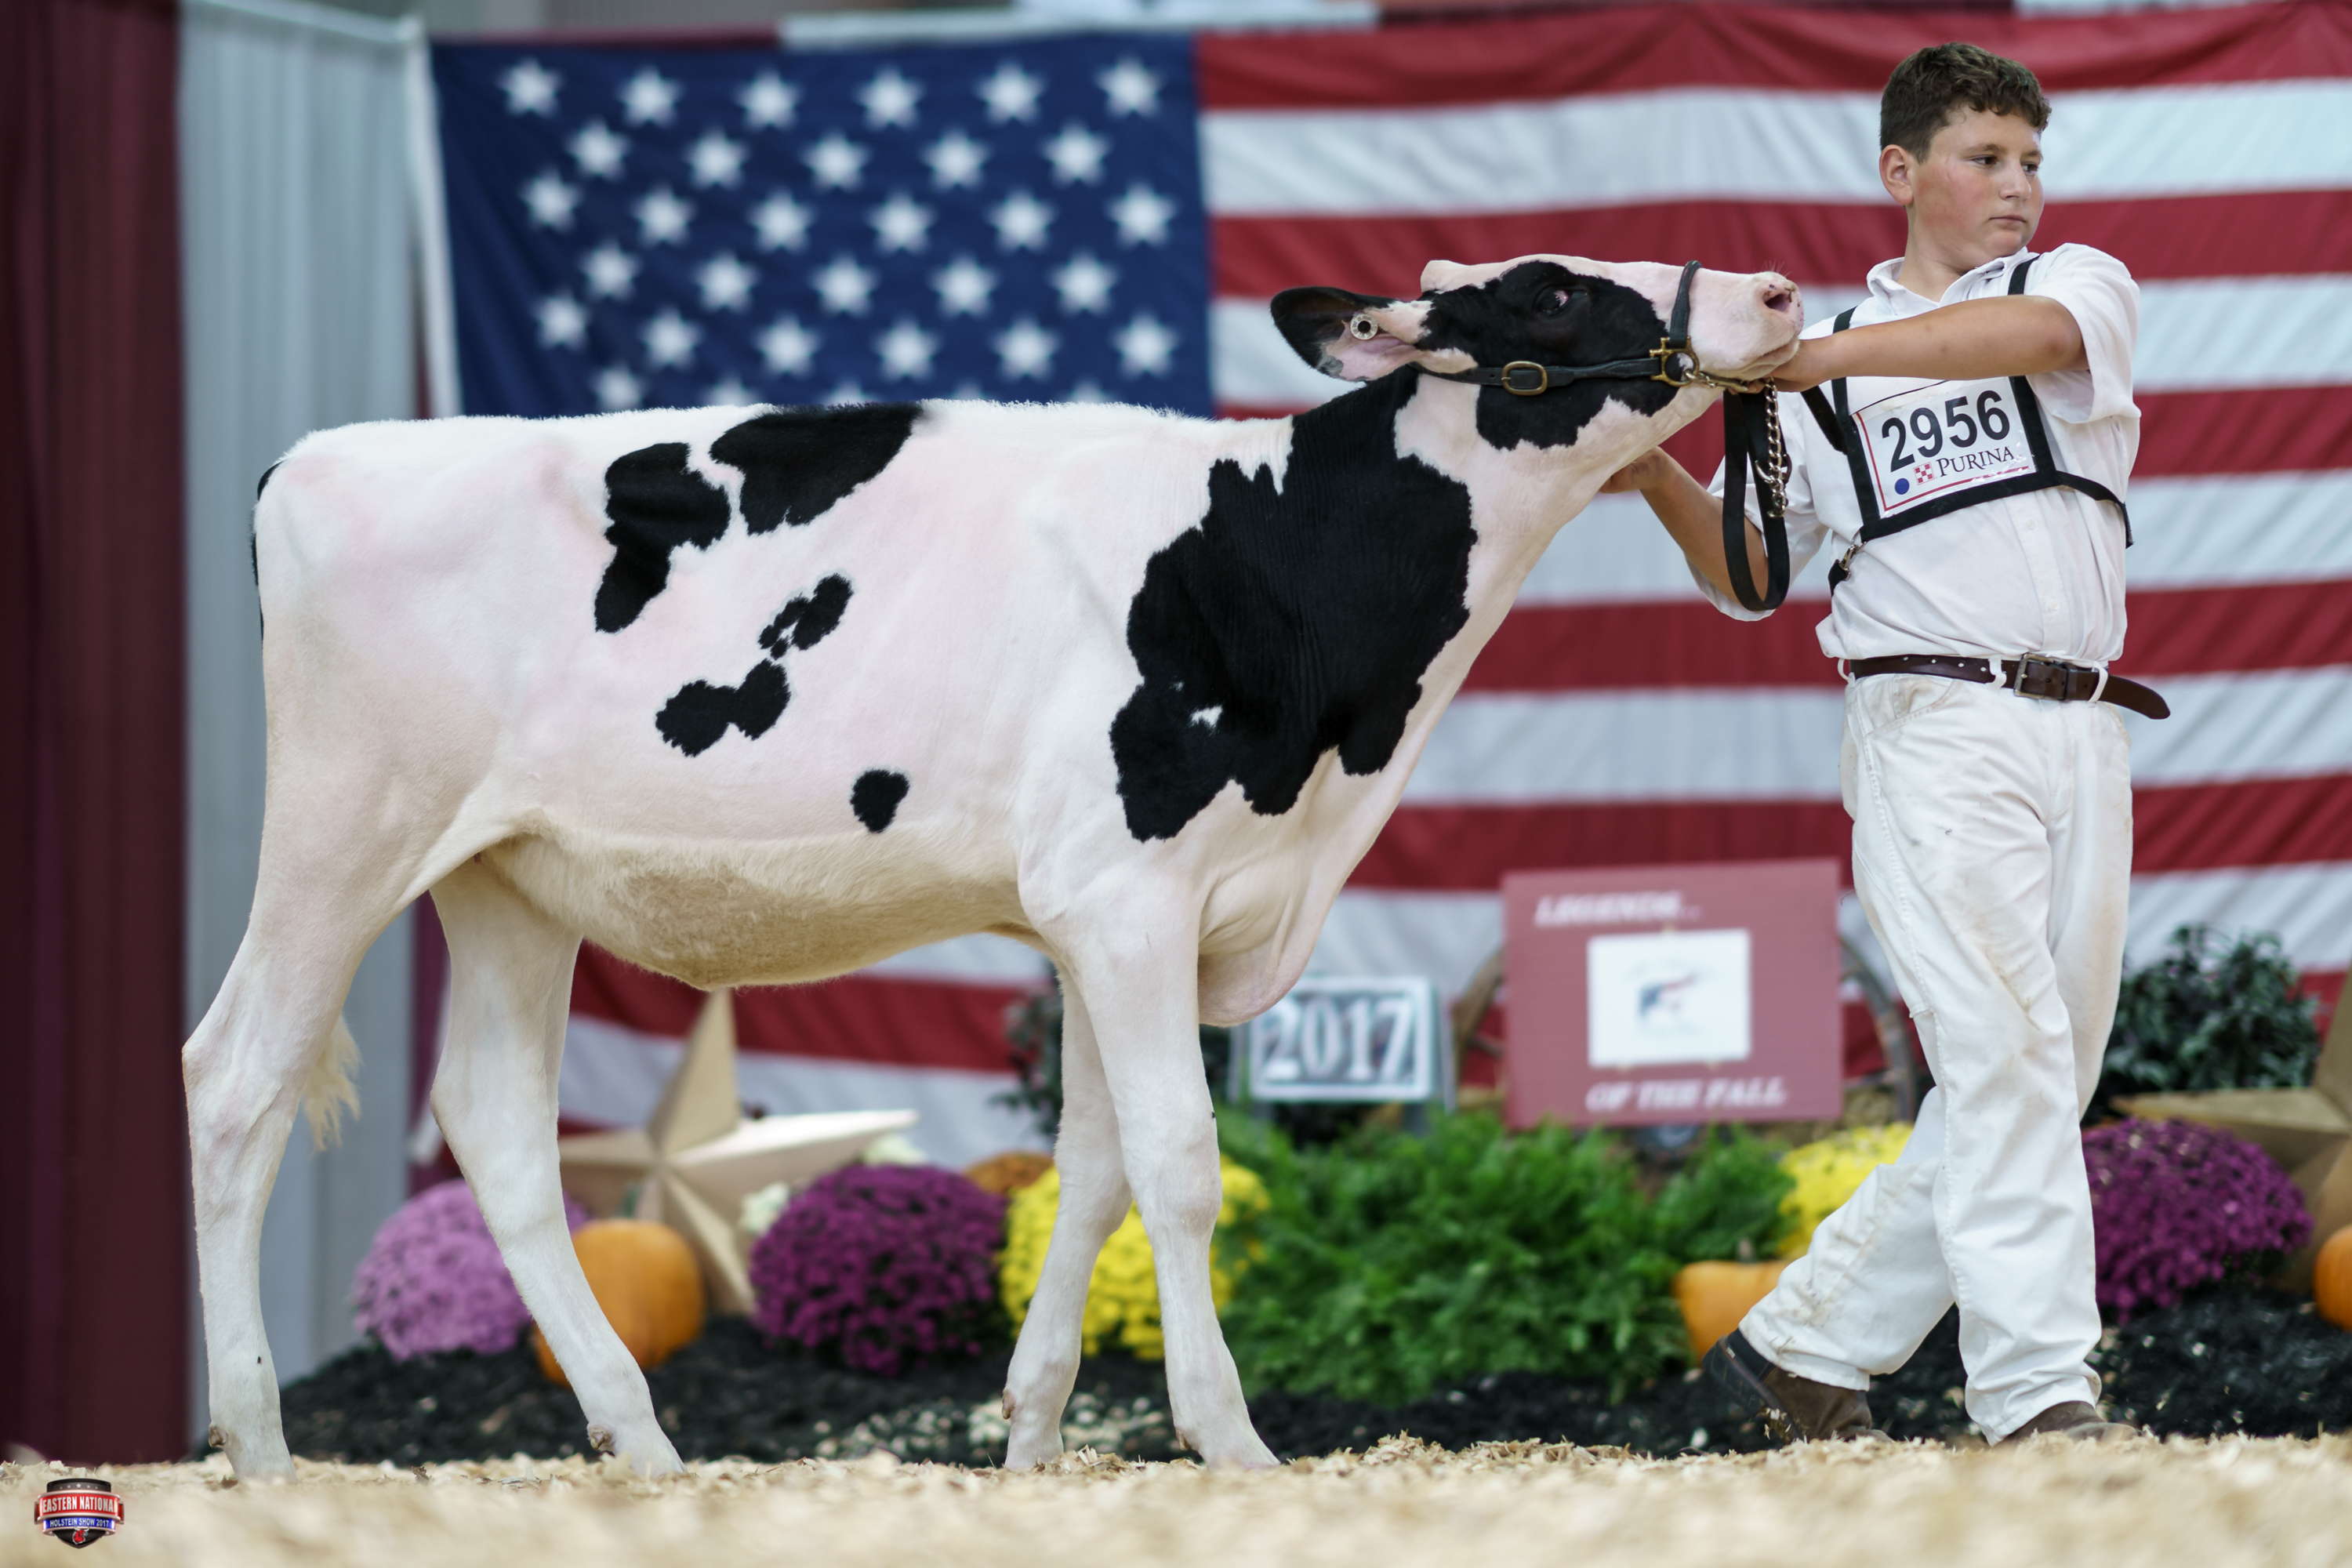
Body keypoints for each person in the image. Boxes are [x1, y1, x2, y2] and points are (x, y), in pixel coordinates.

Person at [1605, 42, 2155, 1446]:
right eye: (1985, 158)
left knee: (2036, 1073)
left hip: (2084, 721)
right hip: (1931, 721)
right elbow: (1751, 576)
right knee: (2009, 1058)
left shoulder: (2070, 284)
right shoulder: (1809, 389)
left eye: (2031, 160)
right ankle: (2038, 1396)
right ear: (1902, 171)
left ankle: (1795, 1355)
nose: (2019, 186)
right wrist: (1648, 463)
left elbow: (2025, 344)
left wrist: (1808, 357)